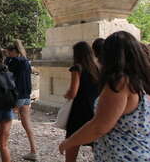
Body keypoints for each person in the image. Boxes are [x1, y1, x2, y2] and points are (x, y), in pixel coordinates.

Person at [59, 31, 150, 161]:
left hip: (120, 155)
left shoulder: (120, 83)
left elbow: (99, 127)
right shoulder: (140, 80)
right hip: (139, 151)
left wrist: (68, 142)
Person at [62, 41, 100, 162]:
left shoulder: (77, 68)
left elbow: (73, 92)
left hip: (79, 109)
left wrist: (66, 95)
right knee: (96, 142)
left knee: (72, 142)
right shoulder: (97, 68)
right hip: (94, 109)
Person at [4, 40, 37, 161]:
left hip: (16, 96)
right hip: (26, 96)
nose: (7, 55)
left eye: (8, 52)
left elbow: (7, 76)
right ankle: (34, 150)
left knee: (5, 122)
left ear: (13, 51)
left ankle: (1, 146)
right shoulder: (26, 61)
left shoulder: (14, 62)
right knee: (27, 124)